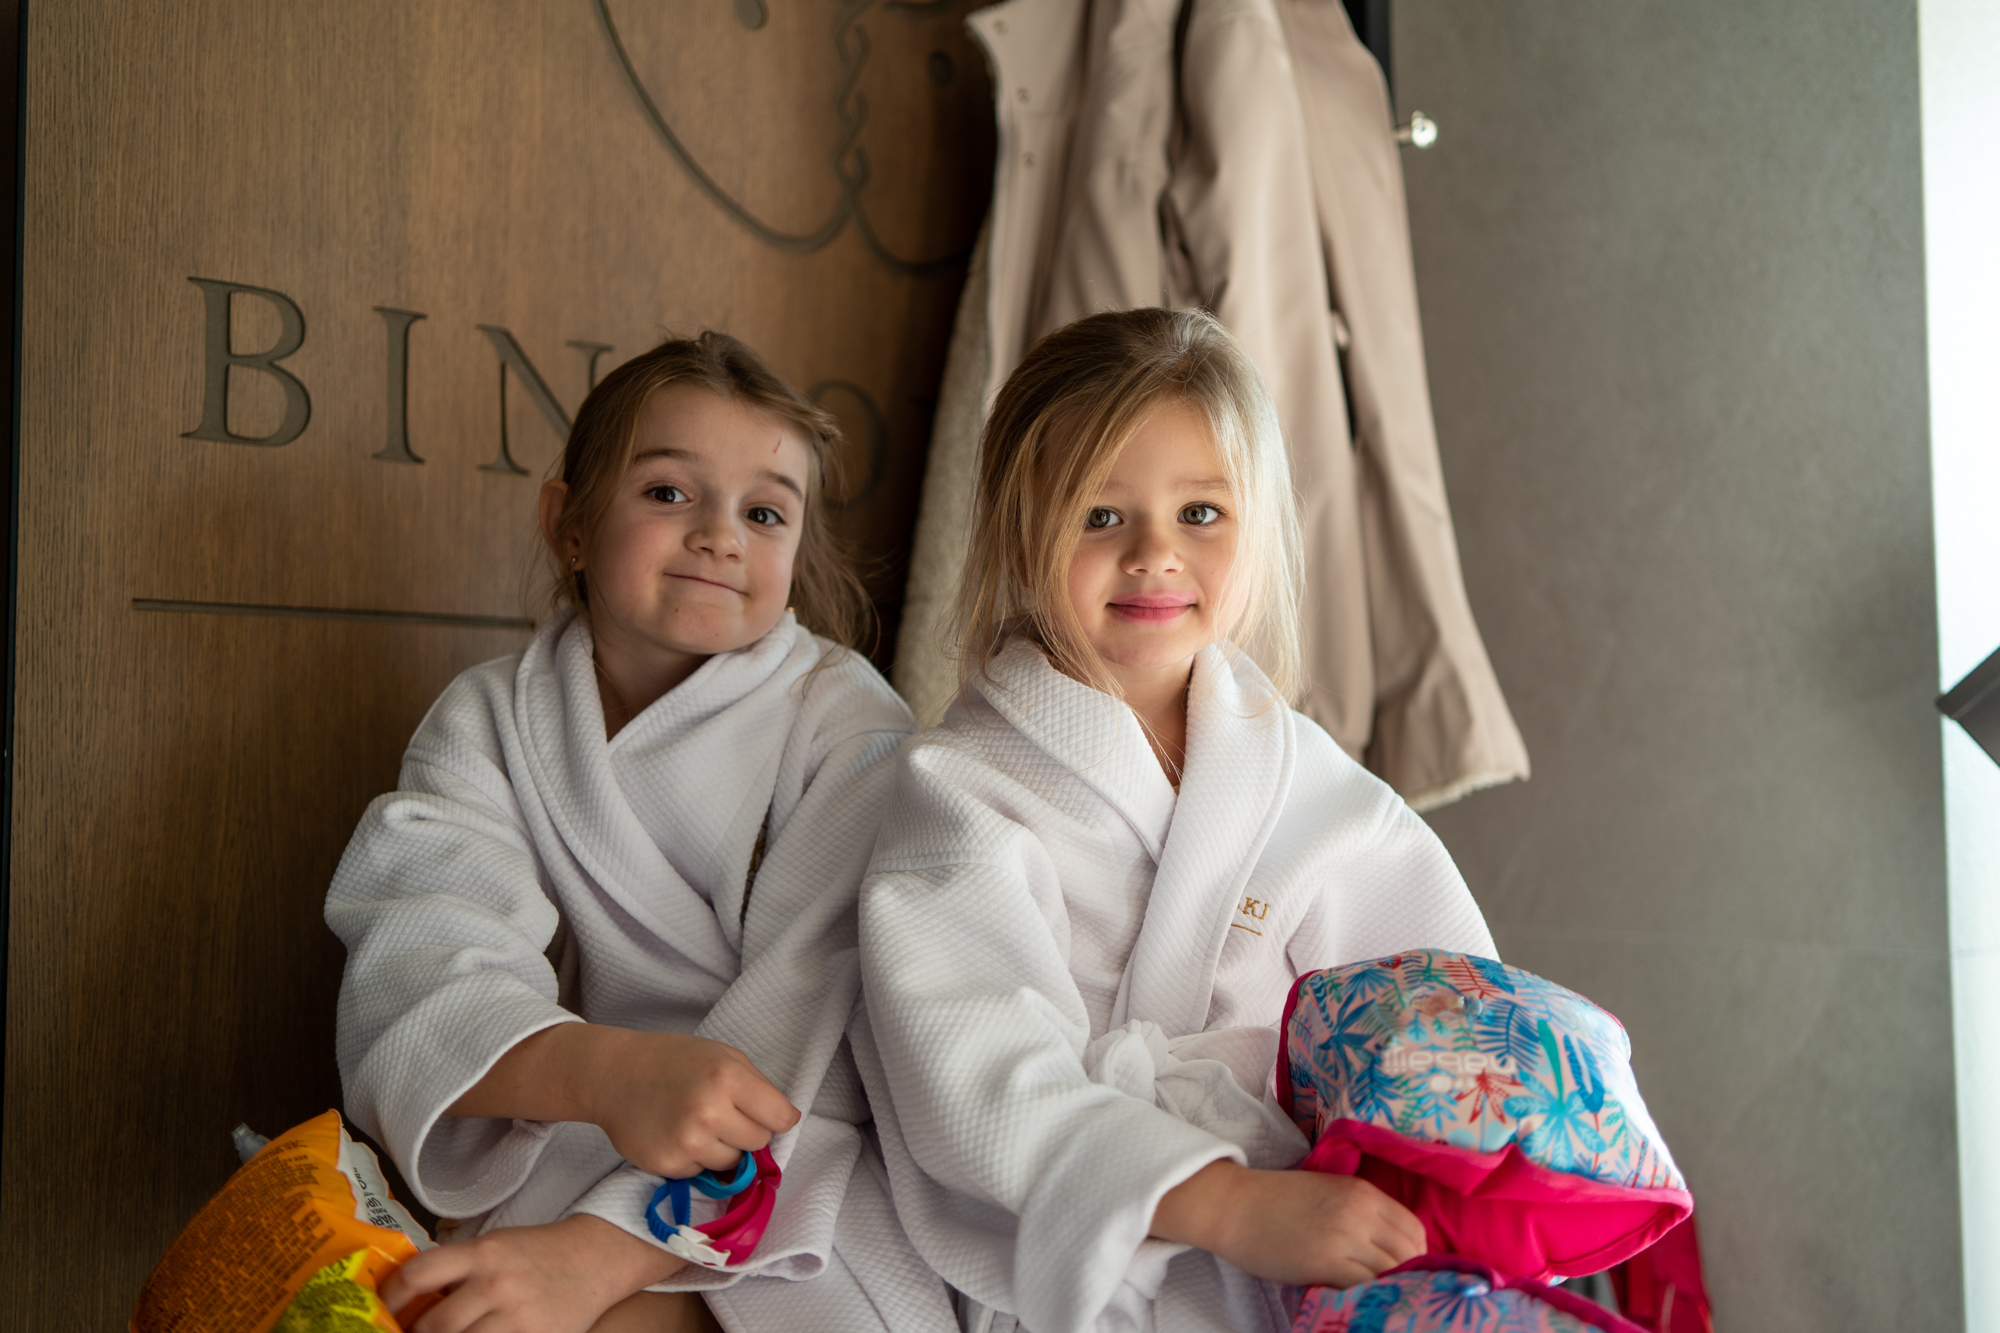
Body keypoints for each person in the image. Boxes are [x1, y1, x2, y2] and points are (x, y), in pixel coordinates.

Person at [853, 308, 1500, 1333]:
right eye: (1099, 515)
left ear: (1260, 525)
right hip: (1092, 1250)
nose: (1154, 553)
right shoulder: (960, 790)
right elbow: (972, 1066)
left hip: (1313, 1245)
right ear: (1021, 532)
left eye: (1200, 513)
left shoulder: (1309, 785)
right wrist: (1221, 1204)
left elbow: (1452, 1009)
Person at [326, 333, 952, 1333]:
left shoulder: (848, 727)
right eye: (668, 492)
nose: (719, 536)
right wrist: (610, 1074)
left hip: (804, 1167)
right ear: (568, 524)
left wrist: (596, 1252)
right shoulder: (489, 721)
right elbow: (425, 962)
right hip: (569, 1119)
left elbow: (825, 1028)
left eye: (764, 512)